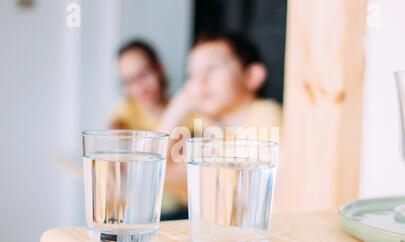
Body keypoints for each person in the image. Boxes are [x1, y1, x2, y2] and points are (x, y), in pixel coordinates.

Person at [157, 32, 282, 189]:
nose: (200, 80)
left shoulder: (267, 114)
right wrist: (178, 108)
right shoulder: (214, 129)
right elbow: (159, 173)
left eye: (213, 67)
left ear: (252, 76)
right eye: (192, 74)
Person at [110, 40, 190, 220]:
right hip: (141, 209)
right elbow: (115, 143)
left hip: (184, 207)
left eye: (143, 74)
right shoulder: (125, 112)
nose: (139, 85)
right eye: (129, 81)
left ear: (159, 68)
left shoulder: (188, 111)